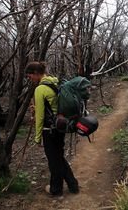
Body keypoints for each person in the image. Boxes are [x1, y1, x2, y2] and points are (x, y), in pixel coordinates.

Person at [25, 61, 79, 196]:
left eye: (30, 76)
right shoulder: (55, 81)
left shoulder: (40, 89)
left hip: (49, 130)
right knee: (59, 157)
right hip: (61, 125)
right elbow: (54, 105)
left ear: (36, 73)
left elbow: (40, 116)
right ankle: (73, 185)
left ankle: (56, 190)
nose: (30, 79)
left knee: (54, 161)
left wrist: (37, 138)